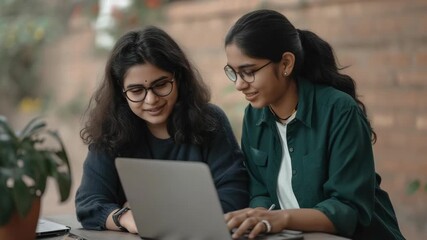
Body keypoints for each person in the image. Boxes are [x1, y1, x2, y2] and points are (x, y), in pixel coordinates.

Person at [222, 9, 405, 240]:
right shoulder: (254, 117)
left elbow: (348, 209)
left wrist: (282, 218)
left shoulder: (339, 110)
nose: (239, 85)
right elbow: (260, 191)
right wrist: (258, 215)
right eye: (233, 72)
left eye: (248, 72)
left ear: (286, 64)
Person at [75, 26, 249, 233]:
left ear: (179, 79)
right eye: (136, 90)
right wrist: (128, 218)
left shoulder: (209, 121)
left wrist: (158, 216)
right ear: (121, 93)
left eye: (161, 85)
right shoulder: (110, 130)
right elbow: (89, 203)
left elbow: (235, 194)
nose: (151, 100)